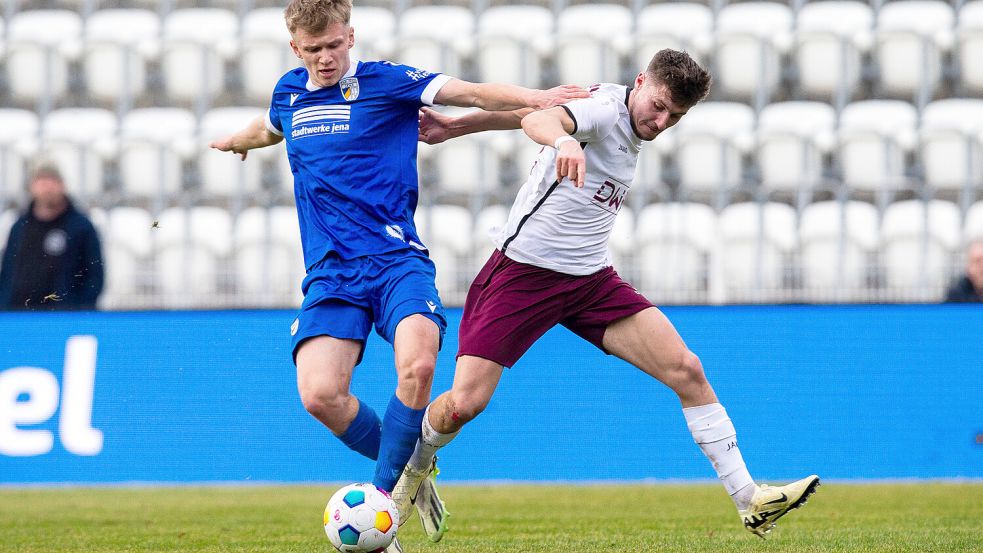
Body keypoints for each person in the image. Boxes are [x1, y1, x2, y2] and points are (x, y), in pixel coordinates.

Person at [397, 48, 820, 540]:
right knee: (464, 405)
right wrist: (562, 141)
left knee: (687, 370)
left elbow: (526, 114)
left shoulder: (614, 113)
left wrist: (459, 127)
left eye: (675, 117)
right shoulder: (602, 110)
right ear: (640, 81)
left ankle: (750, 499)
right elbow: (543, 119)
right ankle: (412, 468)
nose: (661, 122)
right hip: (521, 276)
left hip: (589, 281)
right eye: (658, 106)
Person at [208, 0, 586, 548]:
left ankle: (385, 501)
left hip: (395, 262)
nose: (325, 57)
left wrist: (539, 99)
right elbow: (267, 130)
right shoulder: (288, 94)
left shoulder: (387, 83)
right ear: (296, 48)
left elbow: (472, 93)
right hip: (331, 275)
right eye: (313, 50)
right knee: (318, 395)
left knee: (419, 364)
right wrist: (233, 142)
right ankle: (414, 474)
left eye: (334, 45)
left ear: (350, 36)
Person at [0, 163, 104, 310]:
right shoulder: (20, 227)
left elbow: (95, 276)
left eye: (53, 182)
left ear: (62, 186)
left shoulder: (81, 227)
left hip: (65, 317)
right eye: (42, 182)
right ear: (32, 187)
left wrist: (80, 310)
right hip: (21, 317)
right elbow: (7, 273)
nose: (47, 188)